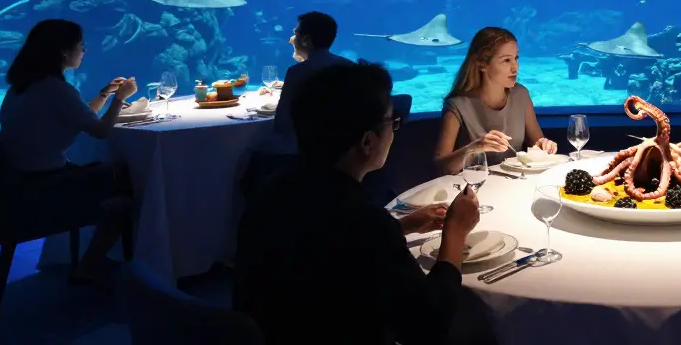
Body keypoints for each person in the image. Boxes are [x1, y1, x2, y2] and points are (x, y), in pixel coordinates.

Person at [234, 61, 481, 345]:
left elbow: (329, 250)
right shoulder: (363, 221)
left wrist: (401, 226)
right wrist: (455, 234)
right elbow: (428, 324)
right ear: (367, 142)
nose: (394, 131)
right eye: (392, 122)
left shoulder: (268, 195)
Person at [0, 19, 135, 284]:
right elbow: (101, 131)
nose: (84, 50)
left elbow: (81, 117)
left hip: (14, 188)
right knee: (125, 185)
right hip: (45, 189)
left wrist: (104, 94)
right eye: (81, 45)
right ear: (63, 50)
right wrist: (120, 98)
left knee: (109, 173)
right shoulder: (58, 89)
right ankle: (91, 266)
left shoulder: (22, 87)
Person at [435, 27, 557, 174]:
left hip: (514, 184)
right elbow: (440, 168)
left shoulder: (521, 94)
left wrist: (544, 146)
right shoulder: (456, 106)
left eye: (516, 58)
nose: (515, 67)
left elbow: (536, 144)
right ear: (482, 64)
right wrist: (476, 147)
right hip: (473, 189)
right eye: (506, 60)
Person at [265, 11, 353, 154]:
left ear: (305, 40)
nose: (291, 39)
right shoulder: (350, 67)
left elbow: (281, 124)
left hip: (305, 153)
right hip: (343, 149)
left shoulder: (296, 72)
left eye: (296, 33)